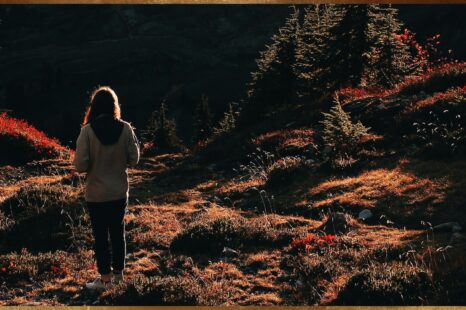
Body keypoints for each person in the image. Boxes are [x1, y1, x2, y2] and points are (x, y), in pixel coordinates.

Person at [74, 86, 140, 290]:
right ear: (114, 106)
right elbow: (134, 159)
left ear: (93, 107)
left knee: (100, 237)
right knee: (118, 233)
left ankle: (104, 280)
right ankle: (119, 276)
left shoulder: (87, 131)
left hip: (96, 194)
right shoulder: (126, 128)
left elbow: (80, 166)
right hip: (119, 191)